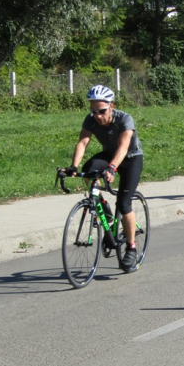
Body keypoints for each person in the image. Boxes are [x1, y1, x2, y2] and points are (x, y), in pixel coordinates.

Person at [65, 85, 144, 272]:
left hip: (131, 159)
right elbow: (83, 142)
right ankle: (101, 205)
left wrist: (112, 167)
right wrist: (74, 166)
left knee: (124, 204)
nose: (98, 116)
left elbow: (124, 147)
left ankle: (131, 247)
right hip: (109, 155)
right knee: (88, 171)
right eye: (93, 112)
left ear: (111, 106)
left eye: (101, 111)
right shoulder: (90, 120)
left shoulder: (124, 119)